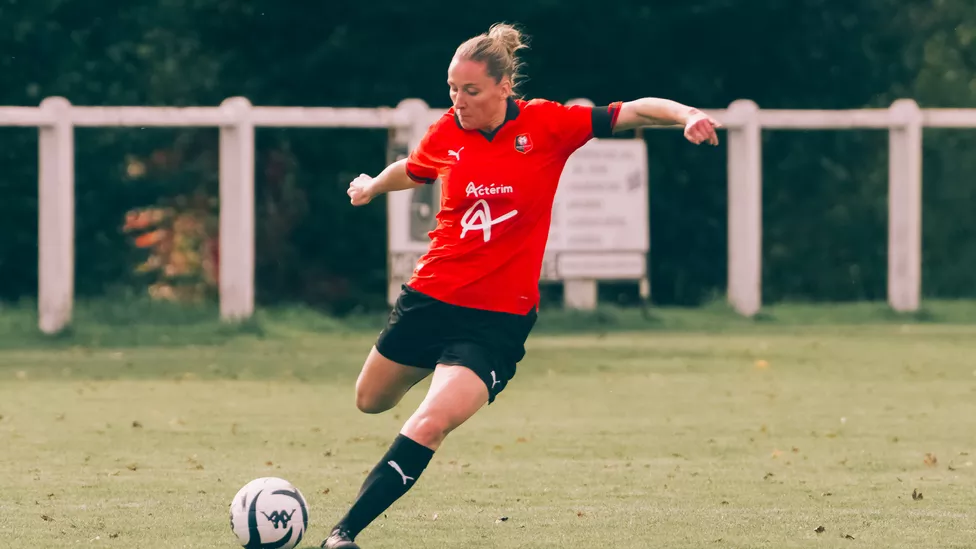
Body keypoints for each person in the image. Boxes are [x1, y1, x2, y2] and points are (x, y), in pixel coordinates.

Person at [321, 22, 721, 549]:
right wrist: (373, 185)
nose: (458, 102)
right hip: (430, 299)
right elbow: (415, 170)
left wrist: (686, 115)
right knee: (370, 400)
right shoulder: (448, 132)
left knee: (429, 422)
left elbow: (633, 111)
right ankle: (439, 364)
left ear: (504, 86)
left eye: (471, 90)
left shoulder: (547, 126)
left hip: (495, 322)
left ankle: (343, 533)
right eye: (452, 89)